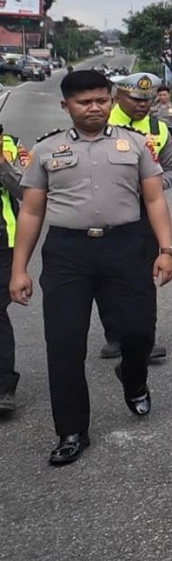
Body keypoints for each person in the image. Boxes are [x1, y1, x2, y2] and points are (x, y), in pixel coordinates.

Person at [10, 69, 172, 466]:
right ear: (66, 106)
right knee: (65, 345)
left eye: (101, 100)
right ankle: (71, 430)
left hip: (126, 247)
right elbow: (32, 211)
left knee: (139, 333)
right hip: (69, 254)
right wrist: (19, 269)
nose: (94, 108)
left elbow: (154, 200)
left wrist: (167, 249)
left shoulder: (135, 144)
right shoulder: (47, 150)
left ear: (111, 100)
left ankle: (133, 379)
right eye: (85, 102)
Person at [101, 72, 172, 360]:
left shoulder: (159, 128)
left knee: (144, 277)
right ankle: (115, 335)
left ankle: (144, 337)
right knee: (107, 276)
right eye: (136, 99)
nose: (143, 104)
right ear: (118, 97)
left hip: (146, 213)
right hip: (106, 212)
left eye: (147, 99)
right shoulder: (101, 124)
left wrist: (154, 184)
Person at [0, 124, 26, 416]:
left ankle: (3, 386)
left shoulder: (11, 144)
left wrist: (1, 162)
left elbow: (25, 190)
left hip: (2, 239)